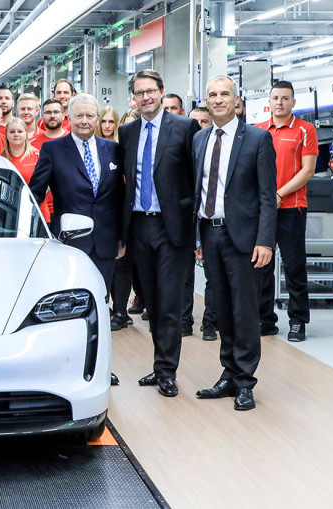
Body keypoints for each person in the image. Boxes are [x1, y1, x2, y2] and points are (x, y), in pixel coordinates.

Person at [194, 75, 277, 411]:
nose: (218, 99)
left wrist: (265, 240)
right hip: (210, 234)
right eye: (212, 94)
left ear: (236, 99)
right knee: (222, 309)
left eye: (224, 94)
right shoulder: (199, 139)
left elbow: (267, 195)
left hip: (244, 238)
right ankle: (228, 373)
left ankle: (245, 382)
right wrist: (197, 237)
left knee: (244, 312)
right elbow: (197, 190)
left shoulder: (257, 138)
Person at [119, 69, 200, 397]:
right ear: (134, 98)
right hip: (139, 226)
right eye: (139, 93)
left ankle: (167, 371)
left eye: (151, 91)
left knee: (169, 301)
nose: (146, 97)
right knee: (150, 301)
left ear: (162, 92)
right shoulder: (127, 132)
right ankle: (159, 363)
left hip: (171, 227)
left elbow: (195, 179)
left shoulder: (184, 127)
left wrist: (194, 230)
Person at [30, 93, 124, 285]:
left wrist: (122, 238)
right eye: (79, 116)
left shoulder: (113, 149)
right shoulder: (52, 150)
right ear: (69, 118)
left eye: (90, 116)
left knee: (102, 295)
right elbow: (35, 194)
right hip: (69, 242)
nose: (84, 121)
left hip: (105, 242)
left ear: (97, 119)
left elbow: (120, 196)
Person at [256, 81, 318, 342]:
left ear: (293, 102)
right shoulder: (258, 130)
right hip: (263, 210)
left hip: (292, 208)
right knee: (261, 265)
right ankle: (265, 319)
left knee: (294, 266)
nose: (279, 102)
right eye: (275, 98)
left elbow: (308, 170)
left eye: (285, 98)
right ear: (269, 102)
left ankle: (297, 321)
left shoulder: (305, 129)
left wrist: (279, 194)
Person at [183, 105, 218, 340]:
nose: (198, 127)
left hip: (209, 220)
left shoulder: (215, 150)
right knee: (184, 276)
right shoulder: (182, 152)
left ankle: (210, 322)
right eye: (193, 123)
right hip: (184, 220)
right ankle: (184, 321)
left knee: (213, 276)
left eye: (204, 122)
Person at [111, 108, 143, 331]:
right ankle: (119, 311)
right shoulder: (116, 151)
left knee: (137, 266)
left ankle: (140, 303)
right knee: (120, 263)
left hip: (141, 215)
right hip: (120, 211)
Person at [2, 117, 50, 221]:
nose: (16, 134)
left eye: (20, 131)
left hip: (37, 214)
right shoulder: (1, 159)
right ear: (6, 135)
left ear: (26, 134)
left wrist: (31, 202)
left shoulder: (38, 156)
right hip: (9, 215)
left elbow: (48, 185)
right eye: (12, 132)